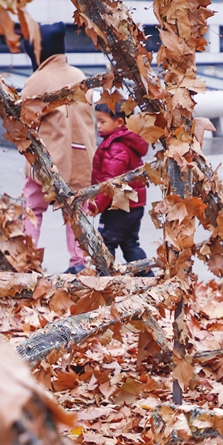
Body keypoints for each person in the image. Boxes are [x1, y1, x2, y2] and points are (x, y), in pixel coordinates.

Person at [19, 23, 96, 274]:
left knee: (32, 208)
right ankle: (78, 263)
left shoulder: (36, 80)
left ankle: (26, 258)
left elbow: (23, 120)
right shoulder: (79, 76)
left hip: (47, 161)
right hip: (82, 157)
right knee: (76, 211)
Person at [88, 103, 148, 263]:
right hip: (133, 205)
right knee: (130, 243)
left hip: (119, 207)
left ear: (119, 122)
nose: (98, 126)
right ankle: (146, 276)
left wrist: (96, 205)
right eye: (97, 121)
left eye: (102, 121)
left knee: (105, 243)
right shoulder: (125, 142)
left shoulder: (116, 147)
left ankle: (104, 278)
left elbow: (110, 182)